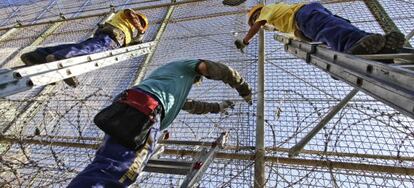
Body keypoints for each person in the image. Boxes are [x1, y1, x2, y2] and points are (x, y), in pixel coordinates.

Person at [67, 59, 252, 187]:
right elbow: (215, 69)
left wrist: (218, 107)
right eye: (198, 78)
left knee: (108, 165)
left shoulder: (167, 82)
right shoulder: (186, 67)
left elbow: (191, 105)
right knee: (118, 171)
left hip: (133, 106)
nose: (197, 80)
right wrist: (243, 88)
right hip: (145, 111)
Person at [20, 9, 149, 87]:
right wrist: (141, 31)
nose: (140, 26)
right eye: (141, 22)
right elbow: (131, 15)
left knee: (80, 47)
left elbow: (130, 44)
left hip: (110, 37)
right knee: (93, 51)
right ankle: (61, 59)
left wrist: (136, 40)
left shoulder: (130, 33)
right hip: (112, 37)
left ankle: (37, 56)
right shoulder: (127, 16)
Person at [235, 2, 406, 55]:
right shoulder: (278, 17)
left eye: (254, 18)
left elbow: (257, 26)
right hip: (309, 14)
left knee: (330, 32)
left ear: (257, 14)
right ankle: (383, 45)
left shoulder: (266, 11)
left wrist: (245, 41)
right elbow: (296, 33)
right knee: (338, 27)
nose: (256, 22)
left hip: (303, 16)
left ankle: (355, 44)